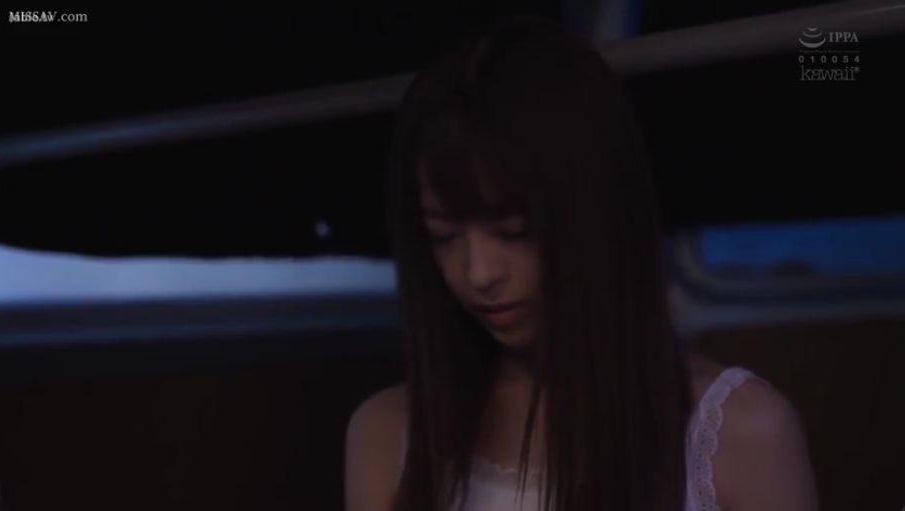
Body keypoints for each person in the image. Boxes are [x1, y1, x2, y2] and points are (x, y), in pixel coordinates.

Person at [345, 16, 818, 511]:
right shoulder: (389, 431)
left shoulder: (738, 431)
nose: (479, 272)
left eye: (514, 230)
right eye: (443, 236)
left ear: (595, 214)